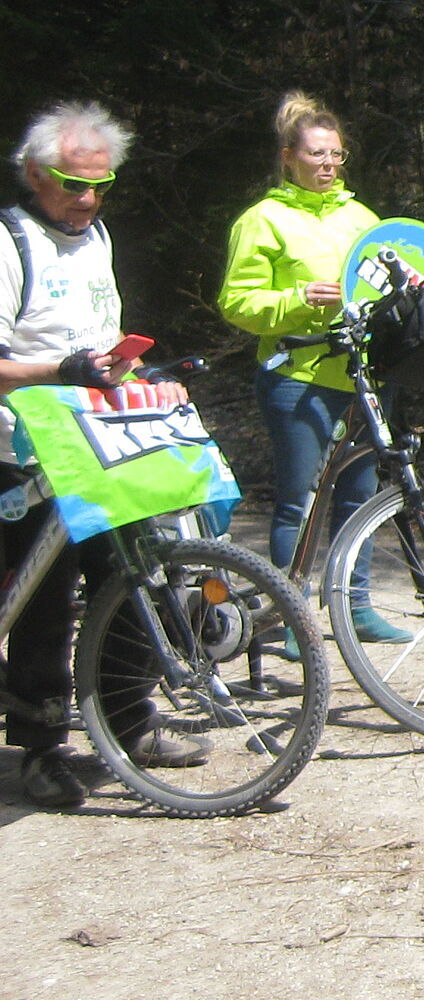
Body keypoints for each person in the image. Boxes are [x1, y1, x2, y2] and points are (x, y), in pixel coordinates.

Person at [0, 102, 205, 809]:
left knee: (132, 575)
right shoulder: (9, 240)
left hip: (97, 441)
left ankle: (130, 722)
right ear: (33, 174)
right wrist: (61, 368)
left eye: (101, 185)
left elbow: (102, 341)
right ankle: (40, 745)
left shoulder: (97, 238)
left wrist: (142, 376)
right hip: (23, 452)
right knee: (45, 604)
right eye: (71, 184)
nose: (87, 199)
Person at [217, 93, 409, 643]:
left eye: (336, 155)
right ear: (288, 157)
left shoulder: (364, 219)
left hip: (360, 377)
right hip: (296, 378)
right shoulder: (262, 221)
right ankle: (292, 620)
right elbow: (238, 303)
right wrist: (301, 298)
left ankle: (356, 609)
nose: (328, 164)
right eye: (316, 154)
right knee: (298, 502)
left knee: (360, 497)